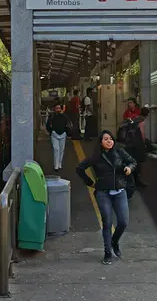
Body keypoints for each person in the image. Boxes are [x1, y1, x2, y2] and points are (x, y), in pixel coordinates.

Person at [76, 130, 136, 265]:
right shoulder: (96, 157)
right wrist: (90, 182)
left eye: (111, 139)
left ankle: (114, 241)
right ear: (100, 142)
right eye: (106, 139)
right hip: (103, 192)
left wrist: (129, 168)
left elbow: (132, 161)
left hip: (120, 191)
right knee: (107, 223)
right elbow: (79, 168)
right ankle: (107, 252)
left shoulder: (120, 152)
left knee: (123, 222)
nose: (109, 141)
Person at [45, 103, 70, 171]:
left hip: (63, 134)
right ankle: (56, 165)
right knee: (56, 149)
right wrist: (52, 131)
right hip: (54, 135)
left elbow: (68, 124)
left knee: (62, 150)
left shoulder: (65, 116)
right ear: (54, 109)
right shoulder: (52, 116)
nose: (58, 110)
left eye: (59, 108)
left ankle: (59, 163)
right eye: (56, 108)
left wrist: (66, 132)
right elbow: (47, 125)